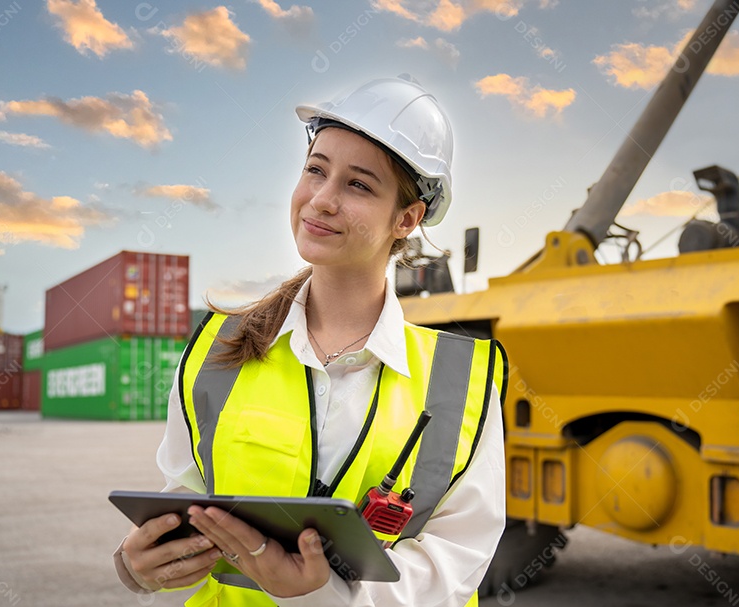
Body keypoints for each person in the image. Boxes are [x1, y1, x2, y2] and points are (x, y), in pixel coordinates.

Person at [113, 75, 508, 607]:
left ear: (407, 219)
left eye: (358, 185)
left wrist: (324, 595)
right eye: (316, 170)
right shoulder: (216, 348)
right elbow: (185, 498)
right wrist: (145, 568)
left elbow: (457, 562)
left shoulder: (461, 379)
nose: (321, 200)